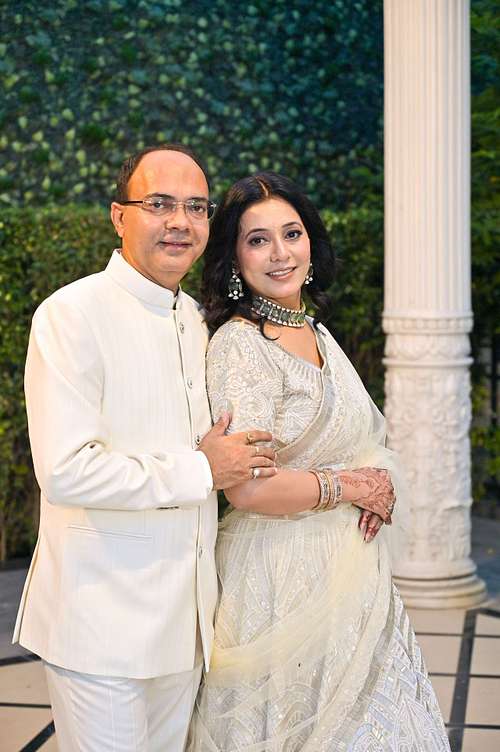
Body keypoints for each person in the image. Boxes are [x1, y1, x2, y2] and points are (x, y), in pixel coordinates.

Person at [12, 145, 278, 752]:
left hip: (187, 625)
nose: (180, 222)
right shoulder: (71, 314)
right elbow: (66, 471)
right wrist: (201, 469)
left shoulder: (199, 320)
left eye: (196, 207)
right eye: (159, 204)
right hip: (101, 623)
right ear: (119, 216)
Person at [188, 172, 451, 751]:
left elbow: (356, 442)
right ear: (234, 256)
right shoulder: (240, 345)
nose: (280, 254)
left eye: (292, 234)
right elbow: (247, 488)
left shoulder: (314, 330)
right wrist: (352, 486)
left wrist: (378, 483)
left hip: (350, 577)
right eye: (258, 240)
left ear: (311, 241)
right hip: (281, 577)